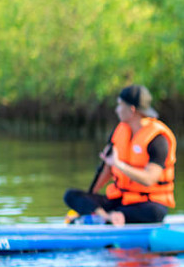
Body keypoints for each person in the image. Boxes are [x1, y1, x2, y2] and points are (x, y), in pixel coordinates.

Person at [63, 84, 176, 226]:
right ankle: (106, 217)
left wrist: (118, 164)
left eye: (119, 105)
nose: (116, 110)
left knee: (154, 212)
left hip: (148, 204)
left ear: (132, 110)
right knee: (71, 196)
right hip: (120, 200)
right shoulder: (119, 132)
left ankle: (109, 217)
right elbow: (105, 170)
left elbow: (149, 179)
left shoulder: (158, 139)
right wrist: (88, 200)